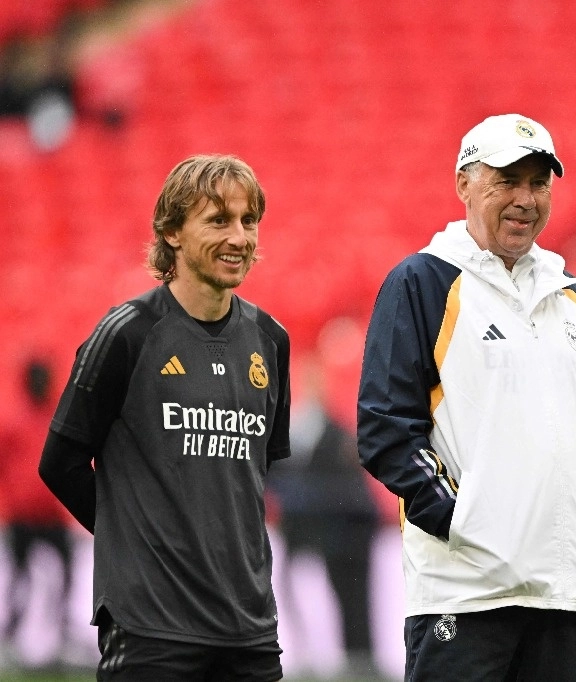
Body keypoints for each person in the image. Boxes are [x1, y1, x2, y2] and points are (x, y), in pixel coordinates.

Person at [357, 113, 576, 681]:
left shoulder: (568, 293)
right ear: (464, 183)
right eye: (507, 180)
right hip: (466, 595)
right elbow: (384, 426)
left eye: (538, 183)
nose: (525, 199)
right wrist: (465, 522)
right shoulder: (423, 282)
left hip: (565, 591)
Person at [38, 154, 291, 681]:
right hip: (151, 629)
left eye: (249, 221)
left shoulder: (271, 340)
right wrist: (129, 542)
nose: (239, 238)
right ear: (172, 232)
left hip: (249, 631)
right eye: (219, 220)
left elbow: (256, 474)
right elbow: (59, 463)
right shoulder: (127, 334)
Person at [269, 351, 380, 677]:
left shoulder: (337, 435)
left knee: (346, 602)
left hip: (340, 538)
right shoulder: (290, 434)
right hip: (301, 535)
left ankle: (351, 662)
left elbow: (355, 492)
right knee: (298, 599)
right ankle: (307, 659)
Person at [0, 358, 75, 667]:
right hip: (23, 516)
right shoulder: (12, 423)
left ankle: (60, 636)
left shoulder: (59, 420)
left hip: (53, 515)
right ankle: (10, 638)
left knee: (66, 577)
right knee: (19, 580)